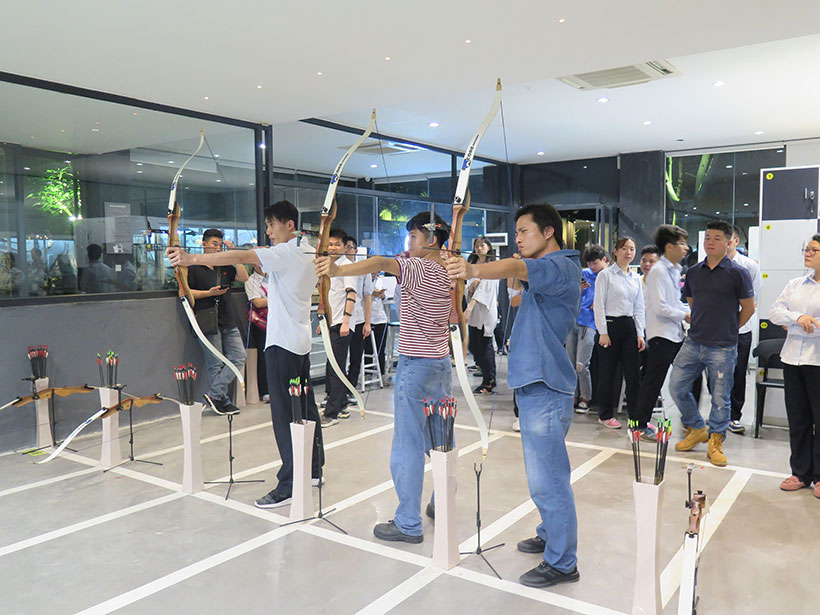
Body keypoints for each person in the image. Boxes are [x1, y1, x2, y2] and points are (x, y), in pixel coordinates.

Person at [446, 203, 581, 589]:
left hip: (546, 386)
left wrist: (472, 269)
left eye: (524, 231)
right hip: (536, 384)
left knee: (548, 478)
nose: (518, 238)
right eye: (517, 232)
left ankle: (563, 562)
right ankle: (550, 533)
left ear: (549, 232)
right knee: (543, 473)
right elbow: (522, 276)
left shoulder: (560, 265)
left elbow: (518, 269)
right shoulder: (548, 269)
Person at [168, 200, 325, 509]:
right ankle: (314, 469)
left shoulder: (286, 252)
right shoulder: (306, 251)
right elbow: (258, 264)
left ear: (289, 225)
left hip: (282, 344)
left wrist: (190, 258)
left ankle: (290, 483)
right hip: (300, 343)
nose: (268, 231)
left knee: (284, 415)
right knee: (305, 407)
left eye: (272, 225)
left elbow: (241, 256)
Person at [315, 212, 452, 544]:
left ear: (432, 240)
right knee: (441, 441)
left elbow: (380, 262)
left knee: (407, 444)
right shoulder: (448, 267)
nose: (409, 243)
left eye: (414, 237)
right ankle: (442, 502)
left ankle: (408, 522)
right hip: (440, 364)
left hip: (416, 366)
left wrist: (338, 270)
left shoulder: (418, 267)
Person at [669, 220, 754, 467]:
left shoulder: (738, 273)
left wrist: (730, 328)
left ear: (728, 243)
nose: (710, 242)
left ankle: (716, 441)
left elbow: (748, 308)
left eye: (717, 238)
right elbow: (693, 303)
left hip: (723, 346)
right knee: (676, 386)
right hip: (693, 341)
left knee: (720, 398)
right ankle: (697, 428)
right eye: (707, 238)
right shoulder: (694, 271)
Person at [768, 235, 820, 497]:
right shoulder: (795, 284)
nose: (807, 253)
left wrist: (798, 323)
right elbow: (775, 312)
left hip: (817, 361)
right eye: (806, 249)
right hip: (792, 359)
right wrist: (799, 318)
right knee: (798, 418)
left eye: (814, 250)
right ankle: (800, 472)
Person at [634, 226, 690, 436]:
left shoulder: (673, 271)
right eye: (681, 243)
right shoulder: (658, 272)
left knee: (690, 375)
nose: (686, 248)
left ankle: (690, 419)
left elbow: (674, 303)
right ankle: (639, 425)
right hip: (661, 336)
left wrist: (688, 312)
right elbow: (661, 307)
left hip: (674, 334)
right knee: (653, 381)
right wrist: (685, 315)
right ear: (669, 247)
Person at [186, 229, 248, 414]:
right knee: (216, 363)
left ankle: (215, 394)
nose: (217, 248)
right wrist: (209, 293)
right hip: (206, 319)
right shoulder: (193, 266)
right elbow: (186, 293)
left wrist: (234, 255)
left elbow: (244, 277)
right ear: (203, 244)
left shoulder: (224, 265)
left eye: (220, 245)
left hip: (227, 318)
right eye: (214, 244)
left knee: (239, 356)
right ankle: (223, 401)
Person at [593, 237, 645, 430]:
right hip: (610, 325)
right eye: (624, 248)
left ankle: (635, 417)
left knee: (633, 375)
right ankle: (605, 415)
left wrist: (640, 333)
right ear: (615, 251)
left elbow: (639, 307)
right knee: (608, 373)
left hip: (629, 326)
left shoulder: (636, 278)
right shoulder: (605, 275)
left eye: (631, 249)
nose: (628, 252)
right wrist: (603, 332)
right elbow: (599, 305)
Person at [726, 225, 762, 434]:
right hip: (718, 331)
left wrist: (735, 323)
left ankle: (734, 416)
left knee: (738, 373)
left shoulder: (749, 266)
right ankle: (719, 412)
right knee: (717, 374)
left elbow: (752, 300)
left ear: (736, 241)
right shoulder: (712, 265)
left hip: (741, 329)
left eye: (727, 239)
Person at [321, 229, 357, 425]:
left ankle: (331, 413)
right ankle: (341, 404)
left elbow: (351, 294)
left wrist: (346, 321)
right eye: (330, 244)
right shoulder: (328, 265)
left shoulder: (347, 266)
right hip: (331, 322)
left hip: (342, 324)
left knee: (336, 368)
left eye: (337, 244)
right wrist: (324, 322)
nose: (333, 248)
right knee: (332, 365)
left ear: (345, 247)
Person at [566, 244, 607, 414]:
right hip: (573, 320)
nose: (591, 266)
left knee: (581, 365)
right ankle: (573, 395)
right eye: (589, 263)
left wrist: (599, 303)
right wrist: (578, 289)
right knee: (570, 363)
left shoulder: (607, 276)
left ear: (604, 259)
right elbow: (571, 295)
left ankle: (585, 398)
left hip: (590, 323)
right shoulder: (584, 274)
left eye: (594, 263)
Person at [466, 236, 499, 394]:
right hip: (474, 314)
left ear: (488, 247)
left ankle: (489, 381)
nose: (479, 248)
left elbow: (484, 291)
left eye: (482, 245)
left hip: (485, 312)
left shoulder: (491, 266)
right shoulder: (472, 266)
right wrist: (471, 287)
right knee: (474, 346)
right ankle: (486, 373)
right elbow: (469, 288)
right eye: (476, 246)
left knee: (485, 347)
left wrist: (469, 308)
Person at [344, 236, 372, 392]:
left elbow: (367, 297)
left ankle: (350, 389)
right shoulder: (337, 268)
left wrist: (368, 322)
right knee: (338, 357)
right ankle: (335, 391)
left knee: (356, 356)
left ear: (355, 250)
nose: (346, 250)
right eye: (345, 247)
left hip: (359, 318)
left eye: (349, 247)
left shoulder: (363, 269)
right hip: (340, 318)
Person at [244, 265, 269, 402]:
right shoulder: (251, 280)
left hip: (278, 321)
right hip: (262, 323)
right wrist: (275, 298)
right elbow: (257, 302)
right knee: (264, 355)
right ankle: (265, 390)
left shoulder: (273, 277)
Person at [370, 271, 389, 375]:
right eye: (372, 273)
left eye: (375, 273)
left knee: (381, 349)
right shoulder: (363, 280)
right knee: (368, 349)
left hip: (380, 318)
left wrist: (382, 295)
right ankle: (367, 374)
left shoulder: (380, 280)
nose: (374, 274)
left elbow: (385, 299)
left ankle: (382, 373)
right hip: (368, 319)